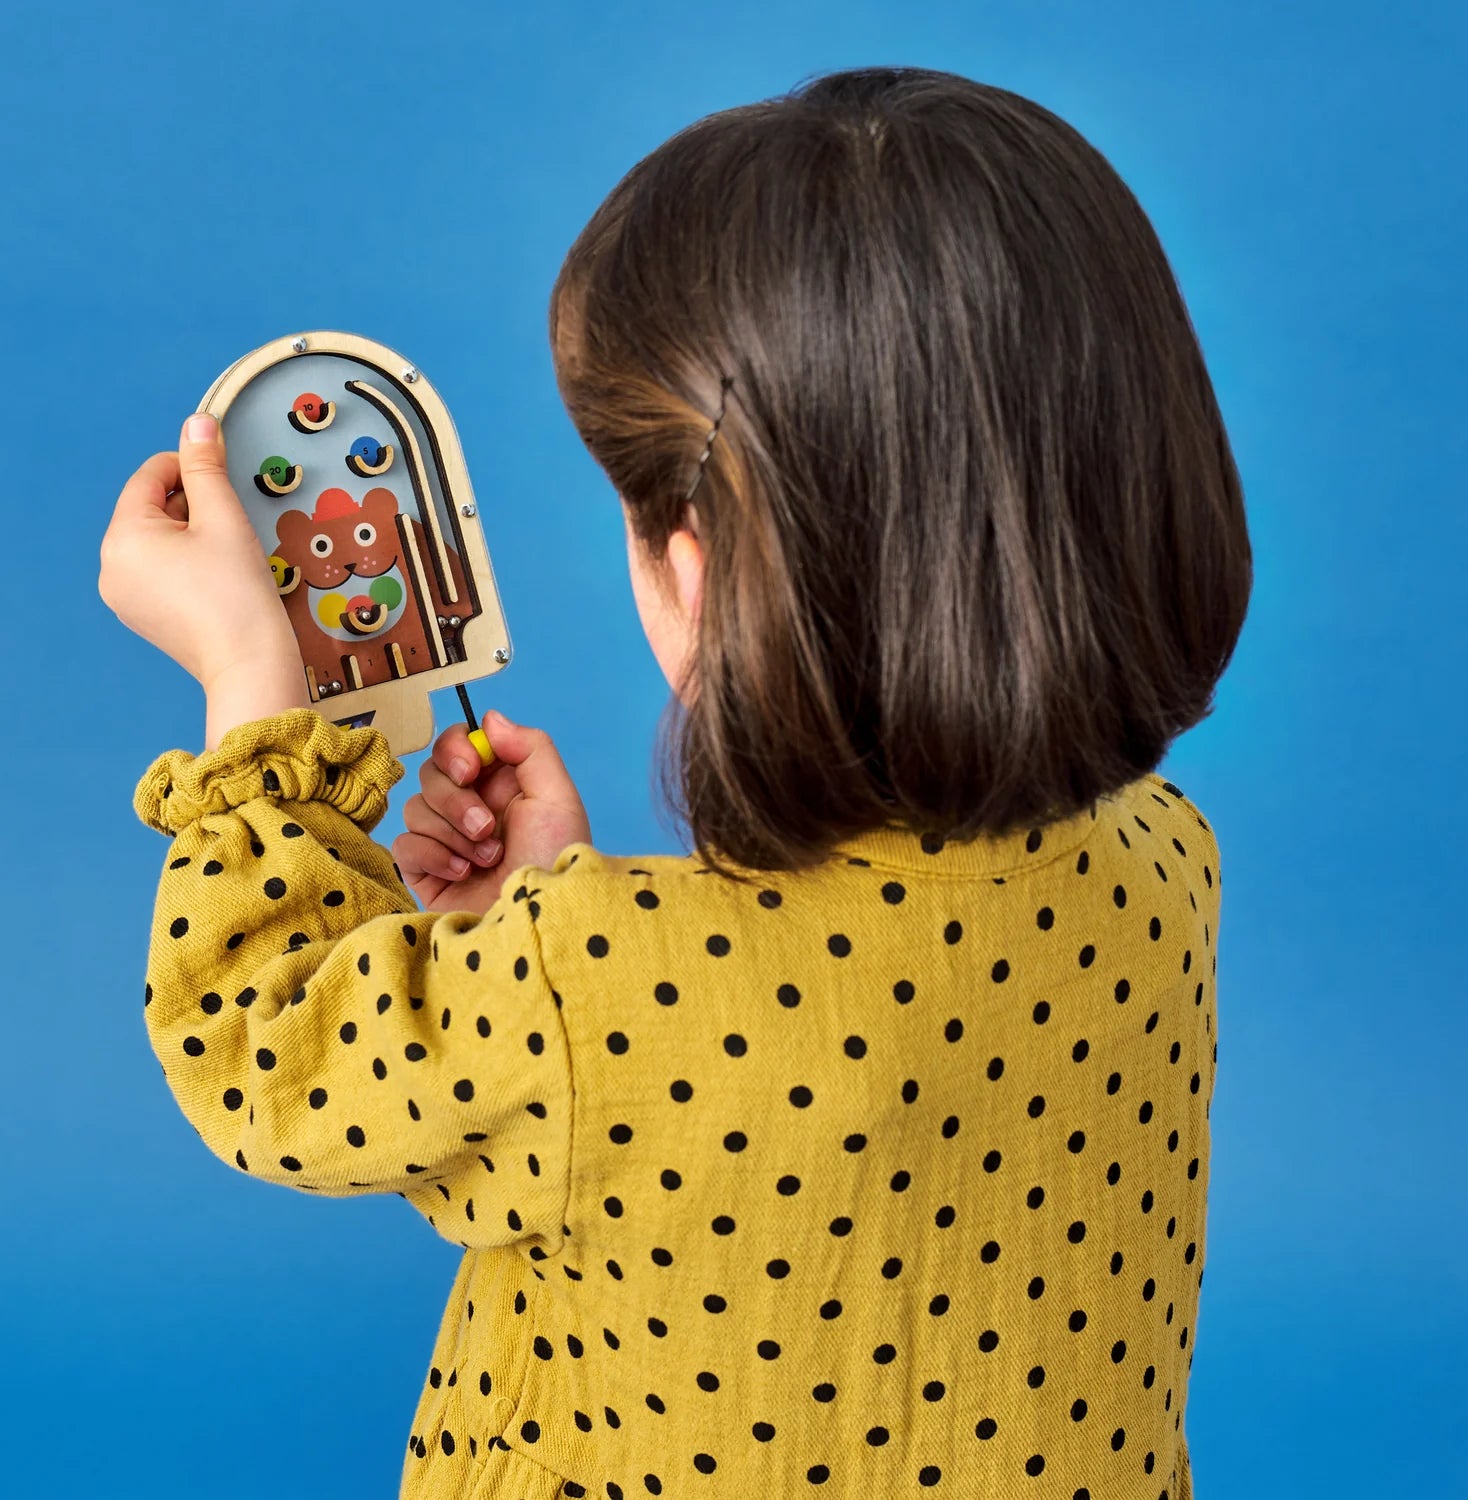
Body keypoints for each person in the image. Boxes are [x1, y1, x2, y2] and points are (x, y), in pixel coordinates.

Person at [100, 65, 1250, 1500]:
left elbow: (262, 1049)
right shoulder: (1164, 867)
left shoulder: (589, 986)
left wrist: (253, 701)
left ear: (691, 571)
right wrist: (549, 917)